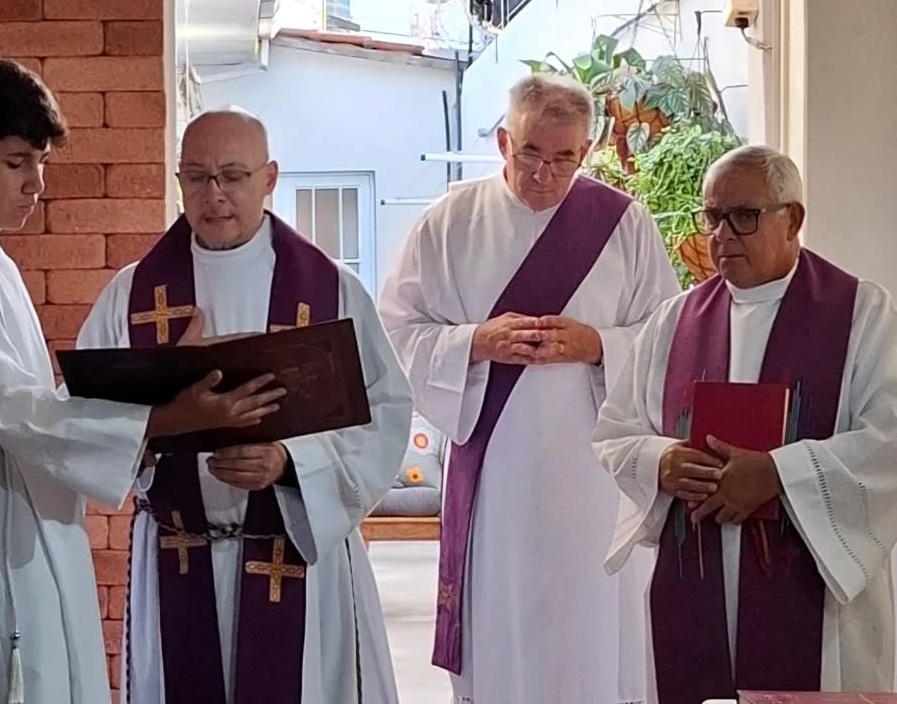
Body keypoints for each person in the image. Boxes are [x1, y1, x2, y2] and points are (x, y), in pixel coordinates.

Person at [0, 57, 286, 704]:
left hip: (25, 499)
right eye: (17, 162)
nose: (36, 183)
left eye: (41, 163)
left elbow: (34, 406)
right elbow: (12, 410)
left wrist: (161, 385)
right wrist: (165, 420)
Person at [77, 107, 412, 704]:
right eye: (197, 177)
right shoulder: (133, 294)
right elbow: (83, 421)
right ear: (178, 180)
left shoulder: (332, 290)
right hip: (177, 550)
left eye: (232, 176)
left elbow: (383, 414)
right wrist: (157, 420)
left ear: (269, 178)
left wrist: (289, 462)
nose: (215, 195)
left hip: (296, 558)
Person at [378, 74, 680, 704]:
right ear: (502, 142)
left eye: (563, 158)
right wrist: (475, 342)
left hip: (594, 478)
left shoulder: (622, 224)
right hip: (497, 477)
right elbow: (396, 330)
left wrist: (598, 345)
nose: (544, 174)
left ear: (586, 150)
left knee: (590, 627)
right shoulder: (450, 222)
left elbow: (671, 336)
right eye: (531, 153)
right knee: (504, 623)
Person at [592, 145, 897, 702]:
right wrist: (661, 460)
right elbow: (616, 429)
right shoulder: (674, 319)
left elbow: (889, 440)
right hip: (695, 574)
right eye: (712, 216)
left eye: (744, 216)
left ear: (793, 219)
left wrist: (779, 475)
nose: (722, 235)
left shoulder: (862, 313)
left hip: (816, 597)